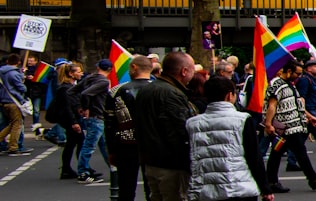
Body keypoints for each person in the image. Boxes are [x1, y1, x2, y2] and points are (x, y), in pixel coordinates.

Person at [187, 75, 273, 201]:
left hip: (205, 190)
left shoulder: (192, 123)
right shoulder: (242, 120)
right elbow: (253, 156)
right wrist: (265, 188)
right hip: (239, 186)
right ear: (229, 95)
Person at [134, 51, 198, 201]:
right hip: (171, 164)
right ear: (184, 71)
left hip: (151, 160)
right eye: (192, 70)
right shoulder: (171, 94)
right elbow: (178, 131)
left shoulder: (147, 90)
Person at [262, 59, 316, 193]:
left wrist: (309, 117)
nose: (299, 76)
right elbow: (272, 105)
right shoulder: (277, 84)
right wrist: (268, 124)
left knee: (278, 154)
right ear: (289, 72)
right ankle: (313, 179)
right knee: (299, 152)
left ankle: (272, 182)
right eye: (297, 73)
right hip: (285, 127)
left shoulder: (289, 84)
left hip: (292, 126)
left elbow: (296, 104)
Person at [104, 55, 154, 201]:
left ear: (133, 68)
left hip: (125, 144)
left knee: (126, 188)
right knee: (153, 189)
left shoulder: (116, 91)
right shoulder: (160, 89)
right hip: (152, 144)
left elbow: (109, 124)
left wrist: (111, 149)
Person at [72, 58, 112, 182]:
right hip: (97, 116)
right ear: (110, 70)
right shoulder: (103, 82)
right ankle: (83, 172)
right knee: (89, 146)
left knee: (104, 145)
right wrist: (85, 108)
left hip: (95, 117)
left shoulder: (89, 78)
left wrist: (78, 106)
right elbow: (85, 94)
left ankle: (113, 167)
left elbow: (73, 91)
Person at [50, 62, 84, 178]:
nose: (81, 74)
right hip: (70, 120)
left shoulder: (71, 87)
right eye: (78, 72)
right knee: (78, 142)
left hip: (72, 119)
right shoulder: (65, 89)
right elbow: (67, 107)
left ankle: (67, 168)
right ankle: (81, 168)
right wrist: (74, 122)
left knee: (72, 143)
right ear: (71, 74)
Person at [0, 52, 30, 156]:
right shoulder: (14, 74)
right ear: (18, 62)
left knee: (10, 124)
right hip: (14, 101)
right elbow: (22, 88)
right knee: (16, 124)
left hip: (3, 100)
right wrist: (23, 78)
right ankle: (13, 147)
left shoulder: (1, 72)